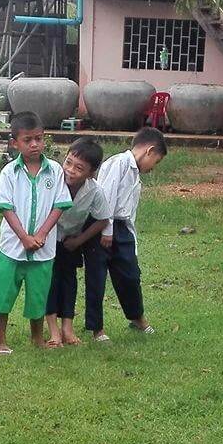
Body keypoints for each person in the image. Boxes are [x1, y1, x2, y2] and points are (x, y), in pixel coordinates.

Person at [0, 111, 72, 354]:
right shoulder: (9, 172)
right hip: (12, 247)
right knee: (3, 294)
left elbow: (60, 204)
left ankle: (37, 337)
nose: (34, 144)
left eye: (39, 138)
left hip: (43, 249)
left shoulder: (54, 170)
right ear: (15, 143)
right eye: (28, 140)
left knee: (38, 296)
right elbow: (5, 207)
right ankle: (0, 340)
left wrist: (43, 234)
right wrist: (24, 237)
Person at [89, 127, 167, 340]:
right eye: (156, 161)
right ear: (149, 151)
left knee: (130, 275)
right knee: (97, 277)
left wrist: (131, 239)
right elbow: (107, 196)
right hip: (103, 225)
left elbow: (129, 210)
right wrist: (107, 229)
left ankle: (136, 318)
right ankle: (97, 329)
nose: (153, 167)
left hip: (122, 229)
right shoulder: (119, 164)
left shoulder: (135, 174)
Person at [45, 138, 112, 347]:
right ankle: (53, 330)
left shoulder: (94, 191)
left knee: (69, 281)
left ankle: (67, 327)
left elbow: (102, 219)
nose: (70, 170)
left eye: (79, 168)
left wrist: (79, 240)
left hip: (70, 241)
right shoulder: (52, 182)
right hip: (47, 239)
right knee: (50, 281)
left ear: (91, 173)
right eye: (68, 162)